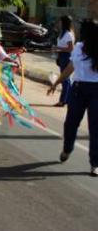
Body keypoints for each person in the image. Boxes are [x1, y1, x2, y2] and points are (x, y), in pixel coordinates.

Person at [48, 19, 98, 176]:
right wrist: (57, 82)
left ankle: (95, 164)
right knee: (71, 123)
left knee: (95, 129)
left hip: (96, 91)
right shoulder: (78, 47)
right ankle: (67, 148)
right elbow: (71, 67)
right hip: (78, 90)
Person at [53, 15, 75, 107]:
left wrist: (58, 48)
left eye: (61, 21)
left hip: (66, 57)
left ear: (64, 23)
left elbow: (70, 49)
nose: (59, 23)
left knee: (64, 79)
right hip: (62, 56)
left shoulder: (69, 34)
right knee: (66, 80)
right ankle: (68, 99)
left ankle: (63, 100)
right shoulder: (63, 33)